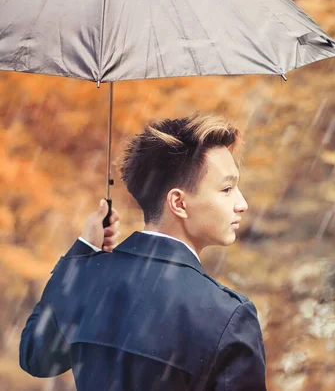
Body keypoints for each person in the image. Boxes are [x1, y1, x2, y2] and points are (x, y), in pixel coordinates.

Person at [19, 113, 267, 391]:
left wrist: (83, 251)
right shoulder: (227, 315)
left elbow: (36, 357)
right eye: (227, 189)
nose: (242, 203)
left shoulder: (87, 279)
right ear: (179, 203)